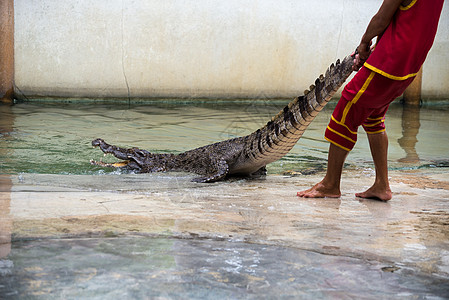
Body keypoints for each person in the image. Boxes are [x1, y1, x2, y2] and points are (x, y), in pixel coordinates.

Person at [297, 0, 444, 201]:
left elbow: (381, 18)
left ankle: (330, 184)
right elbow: (408, 20)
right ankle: (381, 185)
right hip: (409, 66)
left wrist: (364, 43)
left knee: (345, 109)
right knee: (373, 116)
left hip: (389, 61)